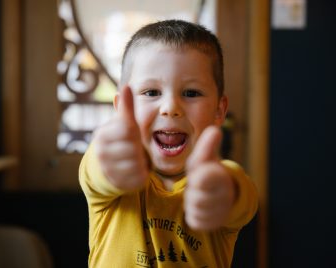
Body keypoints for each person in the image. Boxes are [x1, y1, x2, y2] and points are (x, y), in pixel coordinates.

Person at [79, 19, 258, 268]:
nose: (171, 108)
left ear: (219, 110)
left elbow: (241, 196)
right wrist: (110, 159)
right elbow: (96, 171)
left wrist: (224, 192)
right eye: (151, 92)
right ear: (121, 108)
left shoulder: (218, 180)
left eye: (191, 93)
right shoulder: (110, 181)